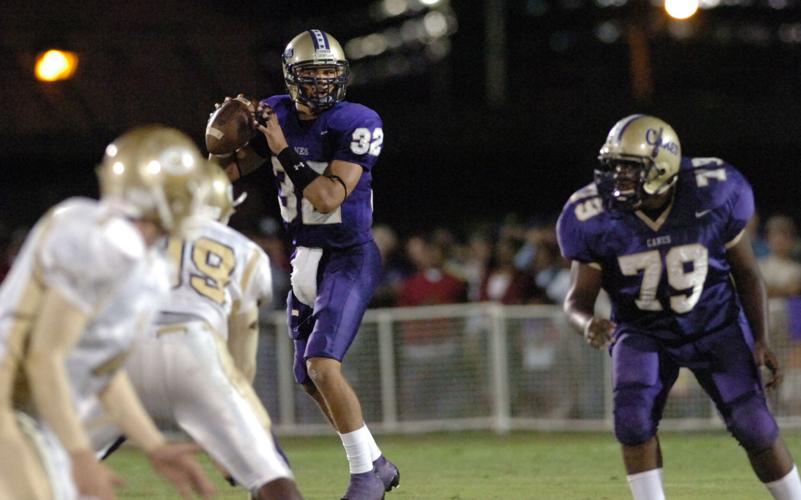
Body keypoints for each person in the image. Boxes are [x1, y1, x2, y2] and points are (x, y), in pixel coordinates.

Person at [557, 114, 801, 500]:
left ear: (662, 167)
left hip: (715, 323)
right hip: (642, 330)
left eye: (630, 167)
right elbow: (576, 300)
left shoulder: (714, 191)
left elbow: (748, 273)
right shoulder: (593, 215)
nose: (618, 176)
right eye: (615, 165)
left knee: (755, 425)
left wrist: (760, 338)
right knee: (633, 420)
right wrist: (586, 321)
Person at [210, 29, 398, 500]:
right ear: (292, 78)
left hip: (347, 255)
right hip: (303, 258)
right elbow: (228, 172)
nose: (320, 84)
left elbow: (328, 194)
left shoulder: (357, 120)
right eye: (311, 75)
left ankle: (364, 477)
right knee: (307, 377)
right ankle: (376, 461)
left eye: (329, 74)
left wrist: (282, 149)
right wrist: (218, 140)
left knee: (321, 364)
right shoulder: (277, 113)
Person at [0, 125, 216, 500]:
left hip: (29, 410)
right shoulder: (102, 240)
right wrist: (81, 456)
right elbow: (44, 357)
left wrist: (154, 446)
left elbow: (102, 372)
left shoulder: (149, 268)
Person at [91, 165, 303, 499]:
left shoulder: (127, 234)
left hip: (122, 355)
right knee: (272, 473)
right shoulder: (245, 251)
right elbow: (241, 364)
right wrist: (232, 427)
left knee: (49, 458)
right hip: (197, 352)